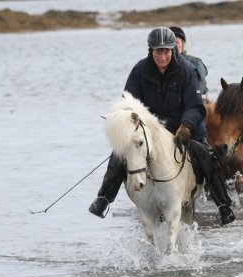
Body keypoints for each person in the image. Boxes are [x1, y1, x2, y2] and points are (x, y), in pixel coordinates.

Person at [89, 27, 235, 225]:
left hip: (183, 129)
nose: (163, 56)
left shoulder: (187, 71)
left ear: (172, 50)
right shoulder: (139, 71)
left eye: (166, 50)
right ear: (151, 51)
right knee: (118, 155)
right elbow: (128, 103)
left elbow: (195, 106)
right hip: (150, 130)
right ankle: (104, 198)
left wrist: (186, 126)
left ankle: (223, 205)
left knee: (206, 156)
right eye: (158, 51)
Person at [169, 26, 209, 99]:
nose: (174, 46)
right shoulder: (162, 65)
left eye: (177, 42)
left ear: (183, 44)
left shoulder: (196, 62)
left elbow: (201, 85)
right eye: (171, 43)